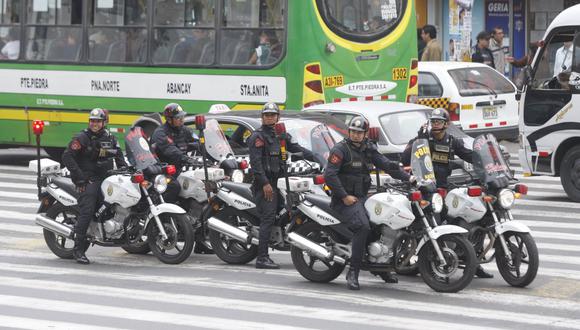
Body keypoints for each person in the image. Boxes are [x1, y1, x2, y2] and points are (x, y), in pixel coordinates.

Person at [401, 108, 493, 279]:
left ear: (446, 124)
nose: (435, 125)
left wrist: (487, 162)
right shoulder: (423, 139)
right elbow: (404, 158)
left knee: (475, 216)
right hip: (426, 189)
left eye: (439, 122)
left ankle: (474, 262)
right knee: (434, 222)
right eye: (433, 121)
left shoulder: (452, 141)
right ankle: (431, 262)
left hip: (444, 187)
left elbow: (470, 156)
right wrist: (419, 139)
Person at [325, 116, 412, 290]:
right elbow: (330, 175)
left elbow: (387, 165)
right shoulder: (340, 150)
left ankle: (380, 267)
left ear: (365, 134)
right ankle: (353, 272)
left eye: (360, 132)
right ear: (349, 132)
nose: (356, 135)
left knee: (382, 223)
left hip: (363, 197)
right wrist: (344, 196)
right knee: (363, 227)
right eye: (353, 132)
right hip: (344, 200)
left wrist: (409, 178)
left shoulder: (368, 149)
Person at [247, 102, 315, 269]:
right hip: (265, 184)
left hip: (279, 182)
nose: (270, 117)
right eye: (267, 115)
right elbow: (256, 164)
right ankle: (262, 258)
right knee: (268, 217)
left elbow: (297, 148)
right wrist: (265, 184)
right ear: (262, 117)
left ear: (278, 117)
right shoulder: (258, 137)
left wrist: (317, 157)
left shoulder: (281, 135)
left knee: (284, 212)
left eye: (272, 115)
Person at [62, 108, 127, 264]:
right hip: (89, 180)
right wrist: (80, 177)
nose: (94, 124)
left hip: (107, 178)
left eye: (98, 121)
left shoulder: (110, 137)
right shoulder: (82, 138)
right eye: (92, 121)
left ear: (104, 123)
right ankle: (78, 250)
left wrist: (126, 169)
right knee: (88, 210)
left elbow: (119, 156)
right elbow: (67, 156)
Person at [151, 103, 197, 202]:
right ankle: (162, 211)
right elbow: (170, 149)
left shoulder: (185, 130)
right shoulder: (160, 133)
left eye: (182, 117)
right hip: (164, 171)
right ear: (169, 119)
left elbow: (198, 143)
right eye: (178, 117)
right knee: (174, 187)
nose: (182, 120)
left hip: (180, 168)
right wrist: (186, 158)